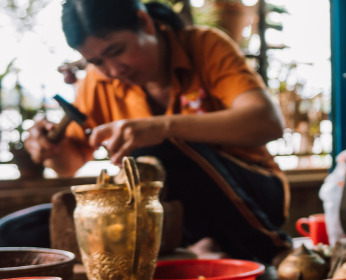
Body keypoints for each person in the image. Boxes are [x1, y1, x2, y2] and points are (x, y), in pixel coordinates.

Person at [11, 0, 290, 265]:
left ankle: (275, 252)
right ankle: (201, 247)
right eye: (96, 61)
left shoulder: (203, 45)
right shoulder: (98, 81)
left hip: (254, 197)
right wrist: (52, 151)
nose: (113, 70)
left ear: (144, 22)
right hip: (169, 210)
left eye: (116, 50)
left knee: (155, 152)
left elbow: (267, 123)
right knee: (18, 232)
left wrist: (161, 127)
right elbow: (68, 165)